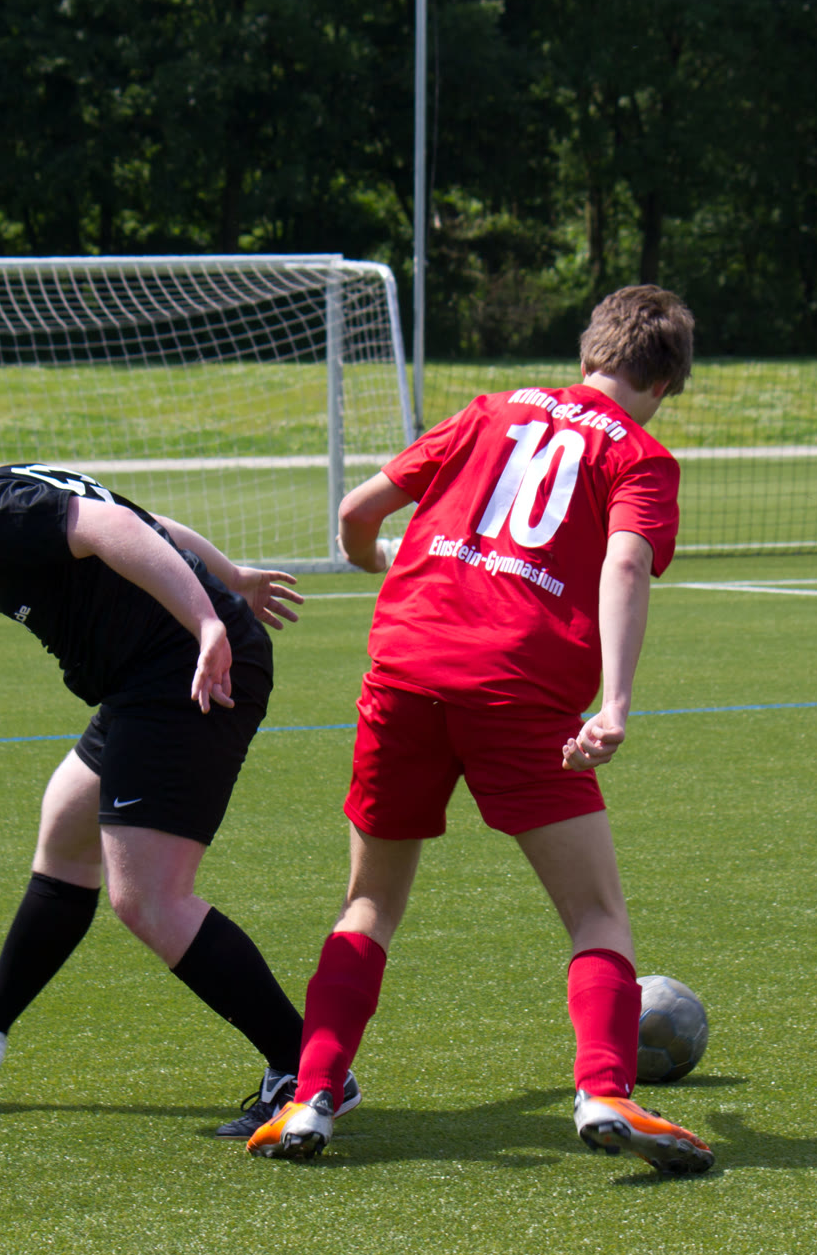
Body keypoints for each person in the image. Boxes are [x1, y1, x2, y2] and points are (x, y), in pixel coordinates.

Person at [247, 286, 714, 1175]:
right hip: (518, 691)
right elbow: (624, 562)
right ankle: (604, 1088)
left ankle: (310, 1098)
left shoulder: (488, 411)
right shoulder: (642, 455)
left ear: (588, 353)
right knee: (596, 911)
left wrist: (382, 562)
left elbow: (355, 516)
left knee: (368, 903)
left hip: (405, 670)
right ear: (665, 383)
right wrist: (615, 704)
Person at [0, 457, 359, 1136]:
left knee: (150, 899)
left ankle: (305, 1071)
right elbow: (143, 523)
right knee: (69, 822)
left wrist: (207, 621)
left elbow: (113, 529)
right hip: (149, 677)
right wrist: (229, 577)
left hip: (182, 672)